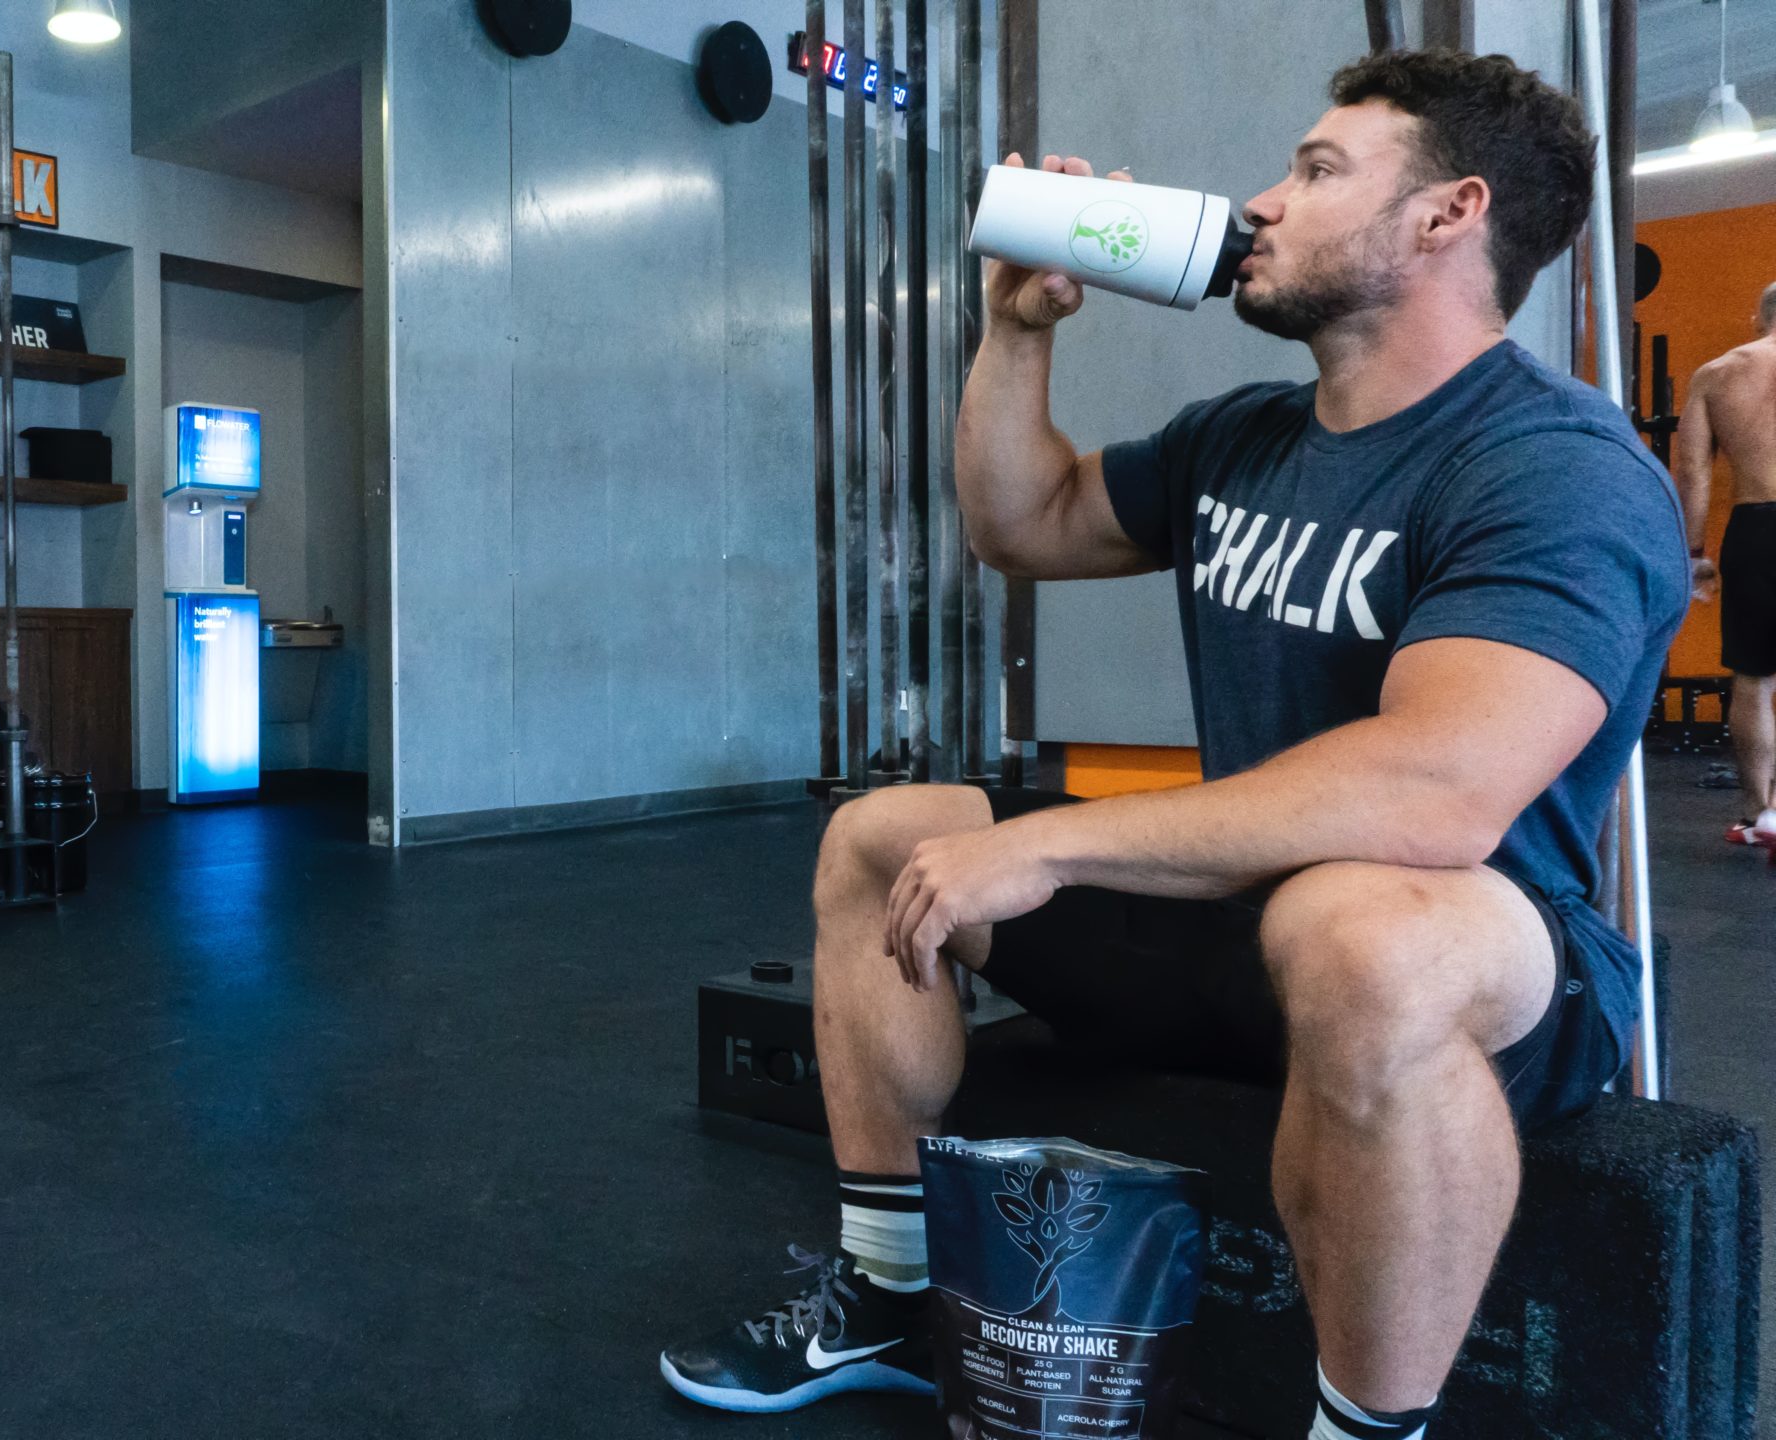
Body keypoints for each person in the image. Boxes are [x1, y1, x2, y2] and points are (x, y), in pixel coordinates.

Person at [658, 49, 1686, 1440]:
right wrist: (1017, 331)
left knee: (1360, 930)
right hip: (1255, 924)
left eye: (1318, 170)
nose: (1263, 201)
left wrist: (1048, 841)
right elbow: (1019, 524)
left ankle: (1369, 1431)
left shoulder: (1553, 466)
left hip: (1489, 953)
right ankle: (892, 1291)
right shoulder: (1248, 437)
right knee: (885, 835)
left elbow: (1437, 791)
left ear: (1448, 214)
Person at [1677, 281, 1776, 848]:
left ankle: (1761, 812)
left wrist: (1694, 554)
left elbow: (1694, 472)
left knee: (1753, 678)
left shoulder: (1718, 373)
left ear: (1757, 317)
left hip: (1756, 527)